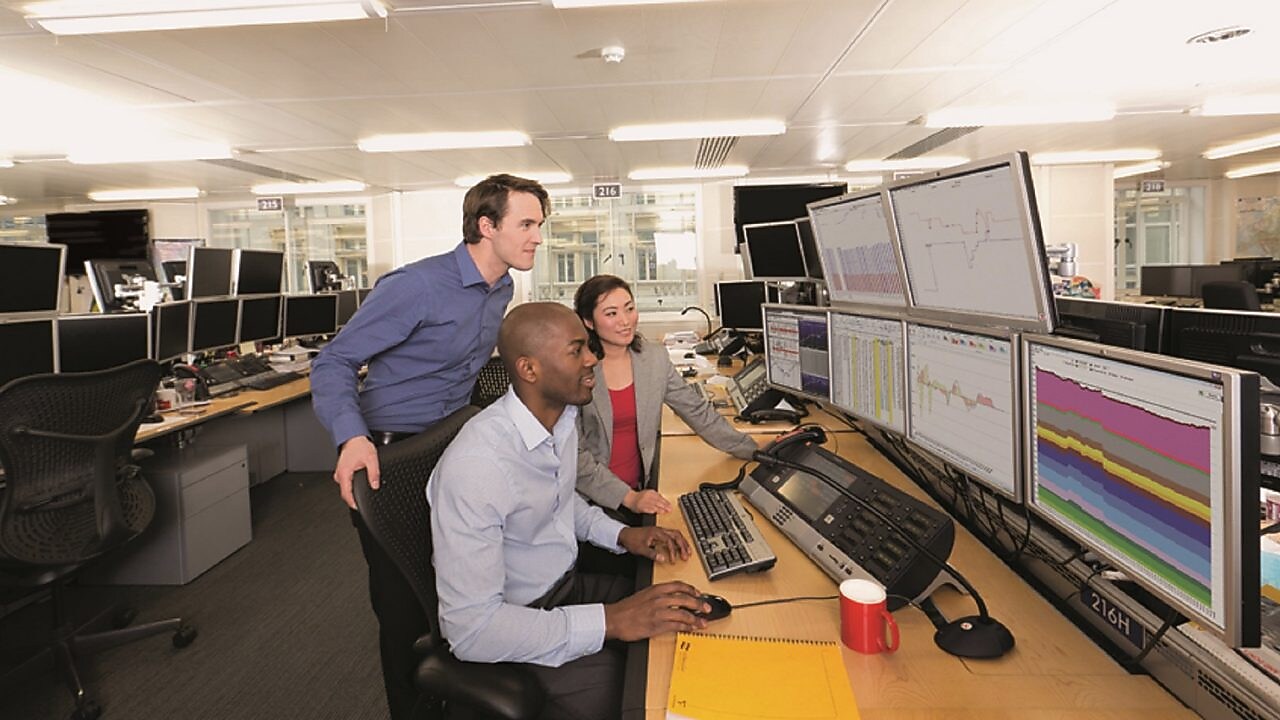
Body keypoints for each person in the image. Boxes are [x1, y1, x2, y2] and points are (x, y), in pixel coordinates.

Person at [309, 174, 550, 720]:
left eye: (540, 224)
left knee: (460, 587)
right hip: (389, 457)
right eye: (527, 224)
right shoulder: (416, 286)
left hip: (449, 447)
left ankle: (456, 698)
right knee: (401, 608)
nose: (538, 237)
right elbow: (334, 362)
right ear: (486, 227)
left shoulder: (503, 287)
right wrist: (352, 438)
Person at [429, 302, 712, 720]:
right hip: (516, 620)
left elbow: (558, 502)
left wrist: (621, 535)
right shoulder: (478, 467)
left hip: (564, 585)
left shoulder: (559, 420)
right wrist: (610, 622)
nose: (593, 358)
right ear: (529, 369)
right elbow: (472, 629)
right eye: (576, 350)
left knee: (686, 610)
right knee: (633, 695)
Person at [573, 274, 758, 518]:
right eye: (611, 314)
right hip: (592, 502)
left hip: (641, 490)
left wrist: (754, 451)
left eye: (629, 309)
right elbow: (574, 456)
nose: (625, 321)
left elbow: (696, 411)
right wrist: (628, 498)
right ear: (588, 321)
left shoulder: (654, 359)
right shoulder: (577, 369)